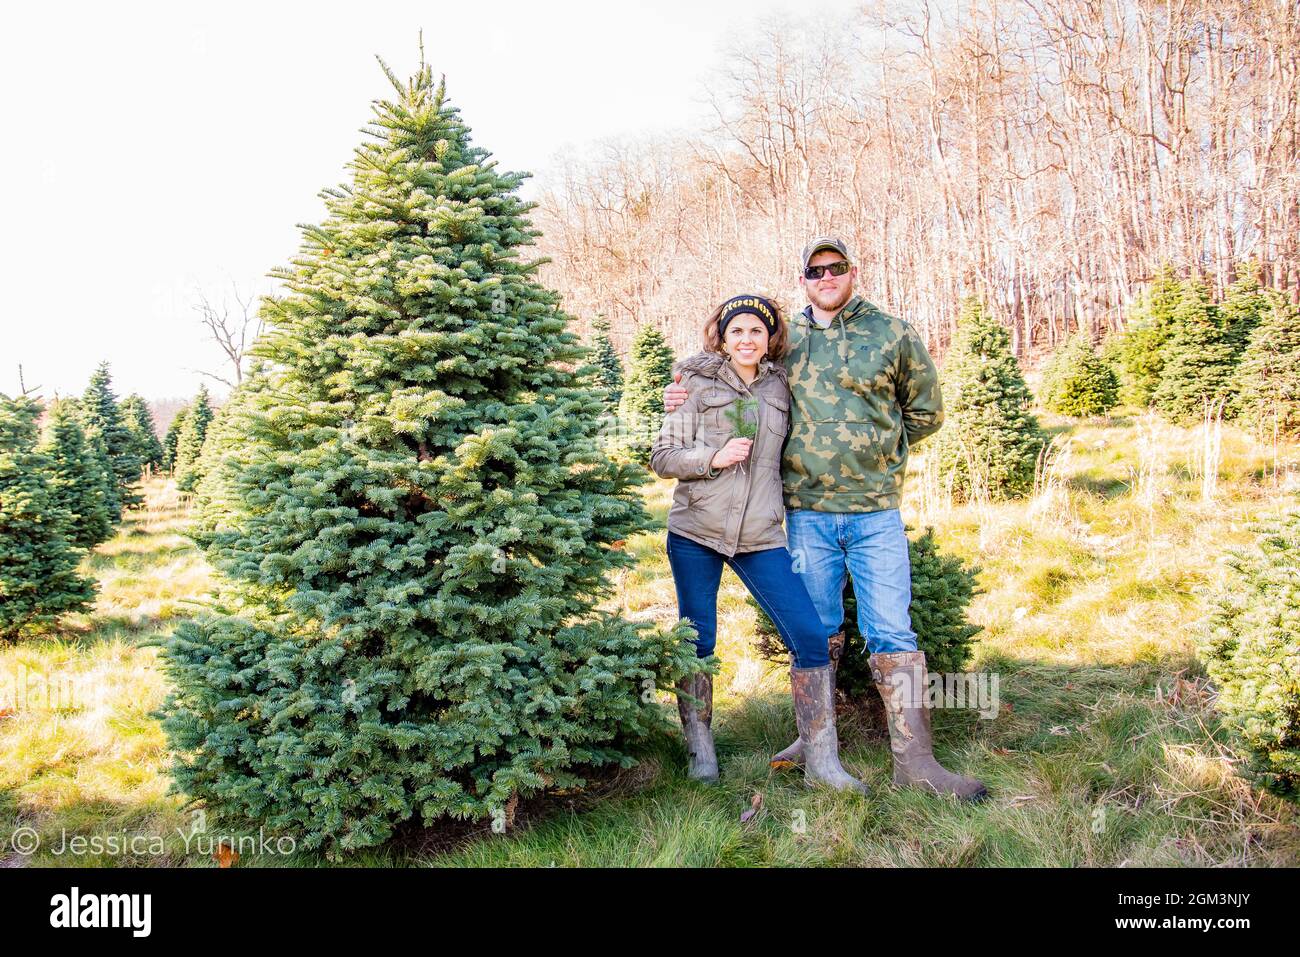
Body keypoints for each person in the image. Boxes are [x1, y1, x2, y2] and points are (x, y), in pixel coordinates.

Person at [664, 238, 988, 801]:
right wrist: (682, 399)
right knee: (816, 630)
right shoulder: (780, 351)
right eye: (815, 271)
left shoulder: (891, 333)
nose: (826, 276)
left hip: (874, 511)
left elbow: (926, 412)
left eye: (835, 268)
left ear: (851, 273)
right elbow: (710, 401)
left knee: (891, 628)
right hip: (805, 514)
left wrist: (878, 452)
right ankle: (810, 744)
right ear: (803, 280)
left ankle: (915, 763)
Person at [649, 293, 867, 793]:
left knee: (809, 636)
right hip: (695, 531)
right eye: (737, 331)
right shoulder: (694, 384)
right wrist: (713, 456)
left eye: (756, 331)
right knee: (698, 640)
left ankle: (822, 761)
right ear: (722, 338)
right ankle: (700, 749)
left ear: (770, 339)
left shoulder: (781, 386)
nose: (747, 340)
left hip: (761, 534)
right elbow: (662, 457)